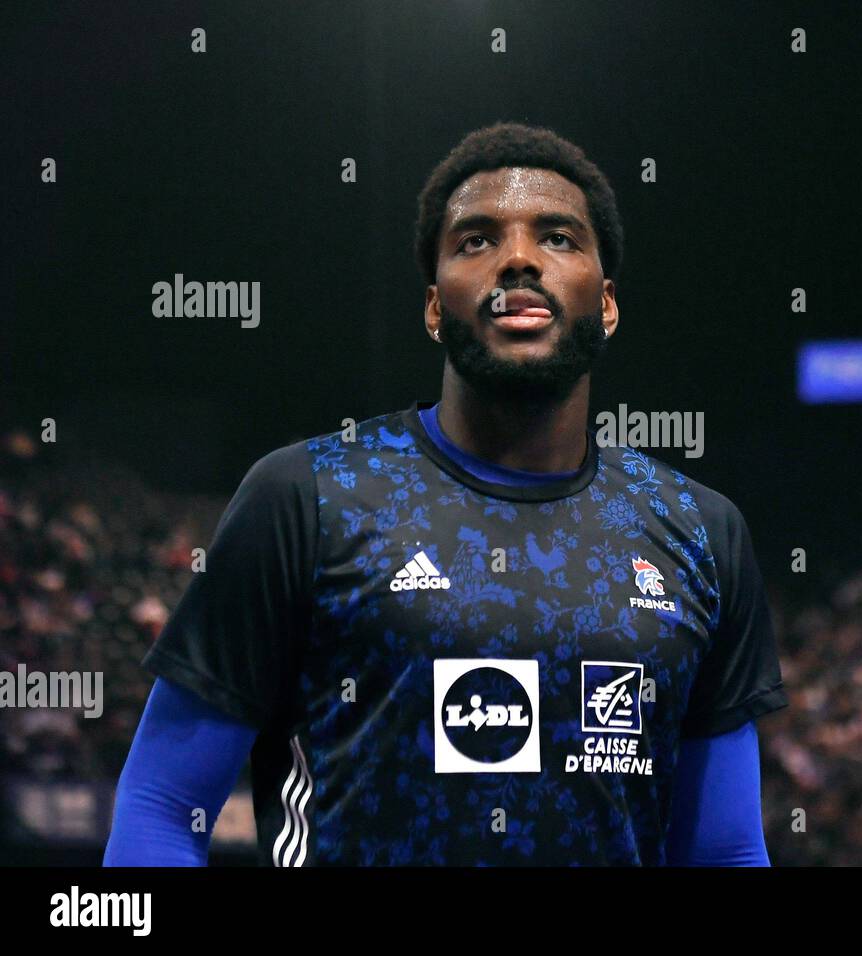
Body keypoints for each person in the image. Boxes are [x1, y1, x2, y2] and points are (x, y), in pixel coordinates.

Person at [104, 122, 787, 866]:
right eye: (476, 241)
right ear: (436, 307)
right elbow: (162, 810)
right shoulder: (306, 496)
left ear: (608, 303)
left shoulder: (700, 531)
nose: (519, 259)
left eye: (557, 238)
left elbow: (725, 849)